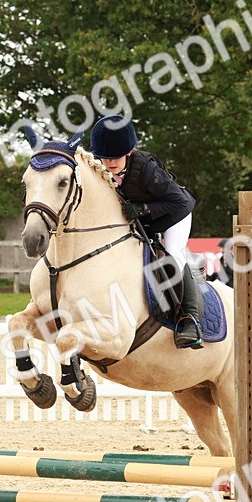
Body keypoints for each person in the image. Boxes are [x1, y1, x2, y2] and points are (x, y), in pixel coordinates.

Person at [88, 115, 203, 349]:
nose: (110, 163)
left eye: (115, 157)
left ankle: (190, 319)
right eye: (105, 157)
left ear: (128, 152)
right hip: (144, 220)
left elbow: (180, 202)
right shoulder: (99, 170)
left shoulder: (147, 170)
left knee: (172, 253)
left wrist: (144, 208)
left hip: (174, 215)